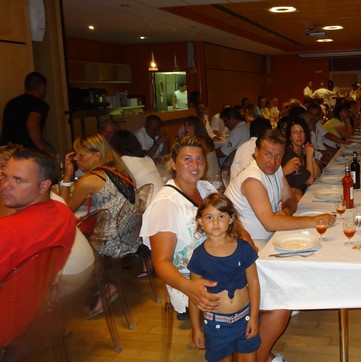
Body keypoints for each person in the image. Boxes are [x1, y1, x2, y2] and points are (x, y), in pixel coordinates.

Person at [224, 129, 335, 362]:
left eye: (277, 155)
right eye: (267, 154)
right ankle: (260, 356)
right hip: (241, 253)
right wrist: (314, 220)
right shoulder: (252, 179)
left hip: (266, 244)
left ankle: (260, 351)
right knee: (283, 300)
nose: (273, 161)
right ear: (256, 152)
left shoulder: (273, 172)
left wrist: (287, 209)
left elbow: (292, 196)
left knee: (313, 254)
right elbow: (271, 223)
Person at [140, 136, 255, 319]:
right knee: (262, 298)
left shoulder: (205, 188)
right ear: (173, 164)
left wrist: (243, 233)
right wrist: (190, 288)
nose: (195, 164)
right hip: (196, 283)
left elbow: (228, 215)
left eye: (199, 159)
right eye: (187, 159)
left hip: (223, 263)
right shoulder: (166, 205)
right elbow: (161, 261)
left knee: (264, 281)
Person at [189, 193, 260, 362]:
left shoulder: (243, 249)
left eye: (221, 216)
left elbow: (254, 283)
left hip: (245, 319)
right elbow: (193, 296)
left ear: (230, 219)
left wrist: (255, 317)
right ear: (200, 221)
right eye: (209, 217)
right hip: (215, 326)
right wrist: (196, 328)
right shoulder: (198, 256)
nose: (215, 222)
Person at [0, 147, 76, 280]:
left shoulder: (8, 229)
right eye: (5, 176)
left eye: (19, 180)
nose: (5, 186)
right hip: (47, 294)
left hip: (14, 299)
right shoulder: (64, 211)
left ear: (44, 185)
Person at [1, 72, 50, 152]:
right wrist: (42, 149)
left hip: (7, 149)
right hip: (25, 150)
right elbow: (32, 124)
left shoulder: (12, 102)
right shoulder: (39, 104)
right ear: (42, 87)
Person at [282, 118, 321, 197]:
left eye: (301, 132)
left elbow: (317, 175)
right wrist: (309, 156)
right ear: (290, 137)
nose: (299, 135)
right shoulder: (289, 155)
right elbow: (309, 180)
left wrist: (312, 159)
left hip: (306, 193)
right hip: (294, 197)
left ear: (305, 135)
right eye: (294, 132)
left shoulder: (302, 151)